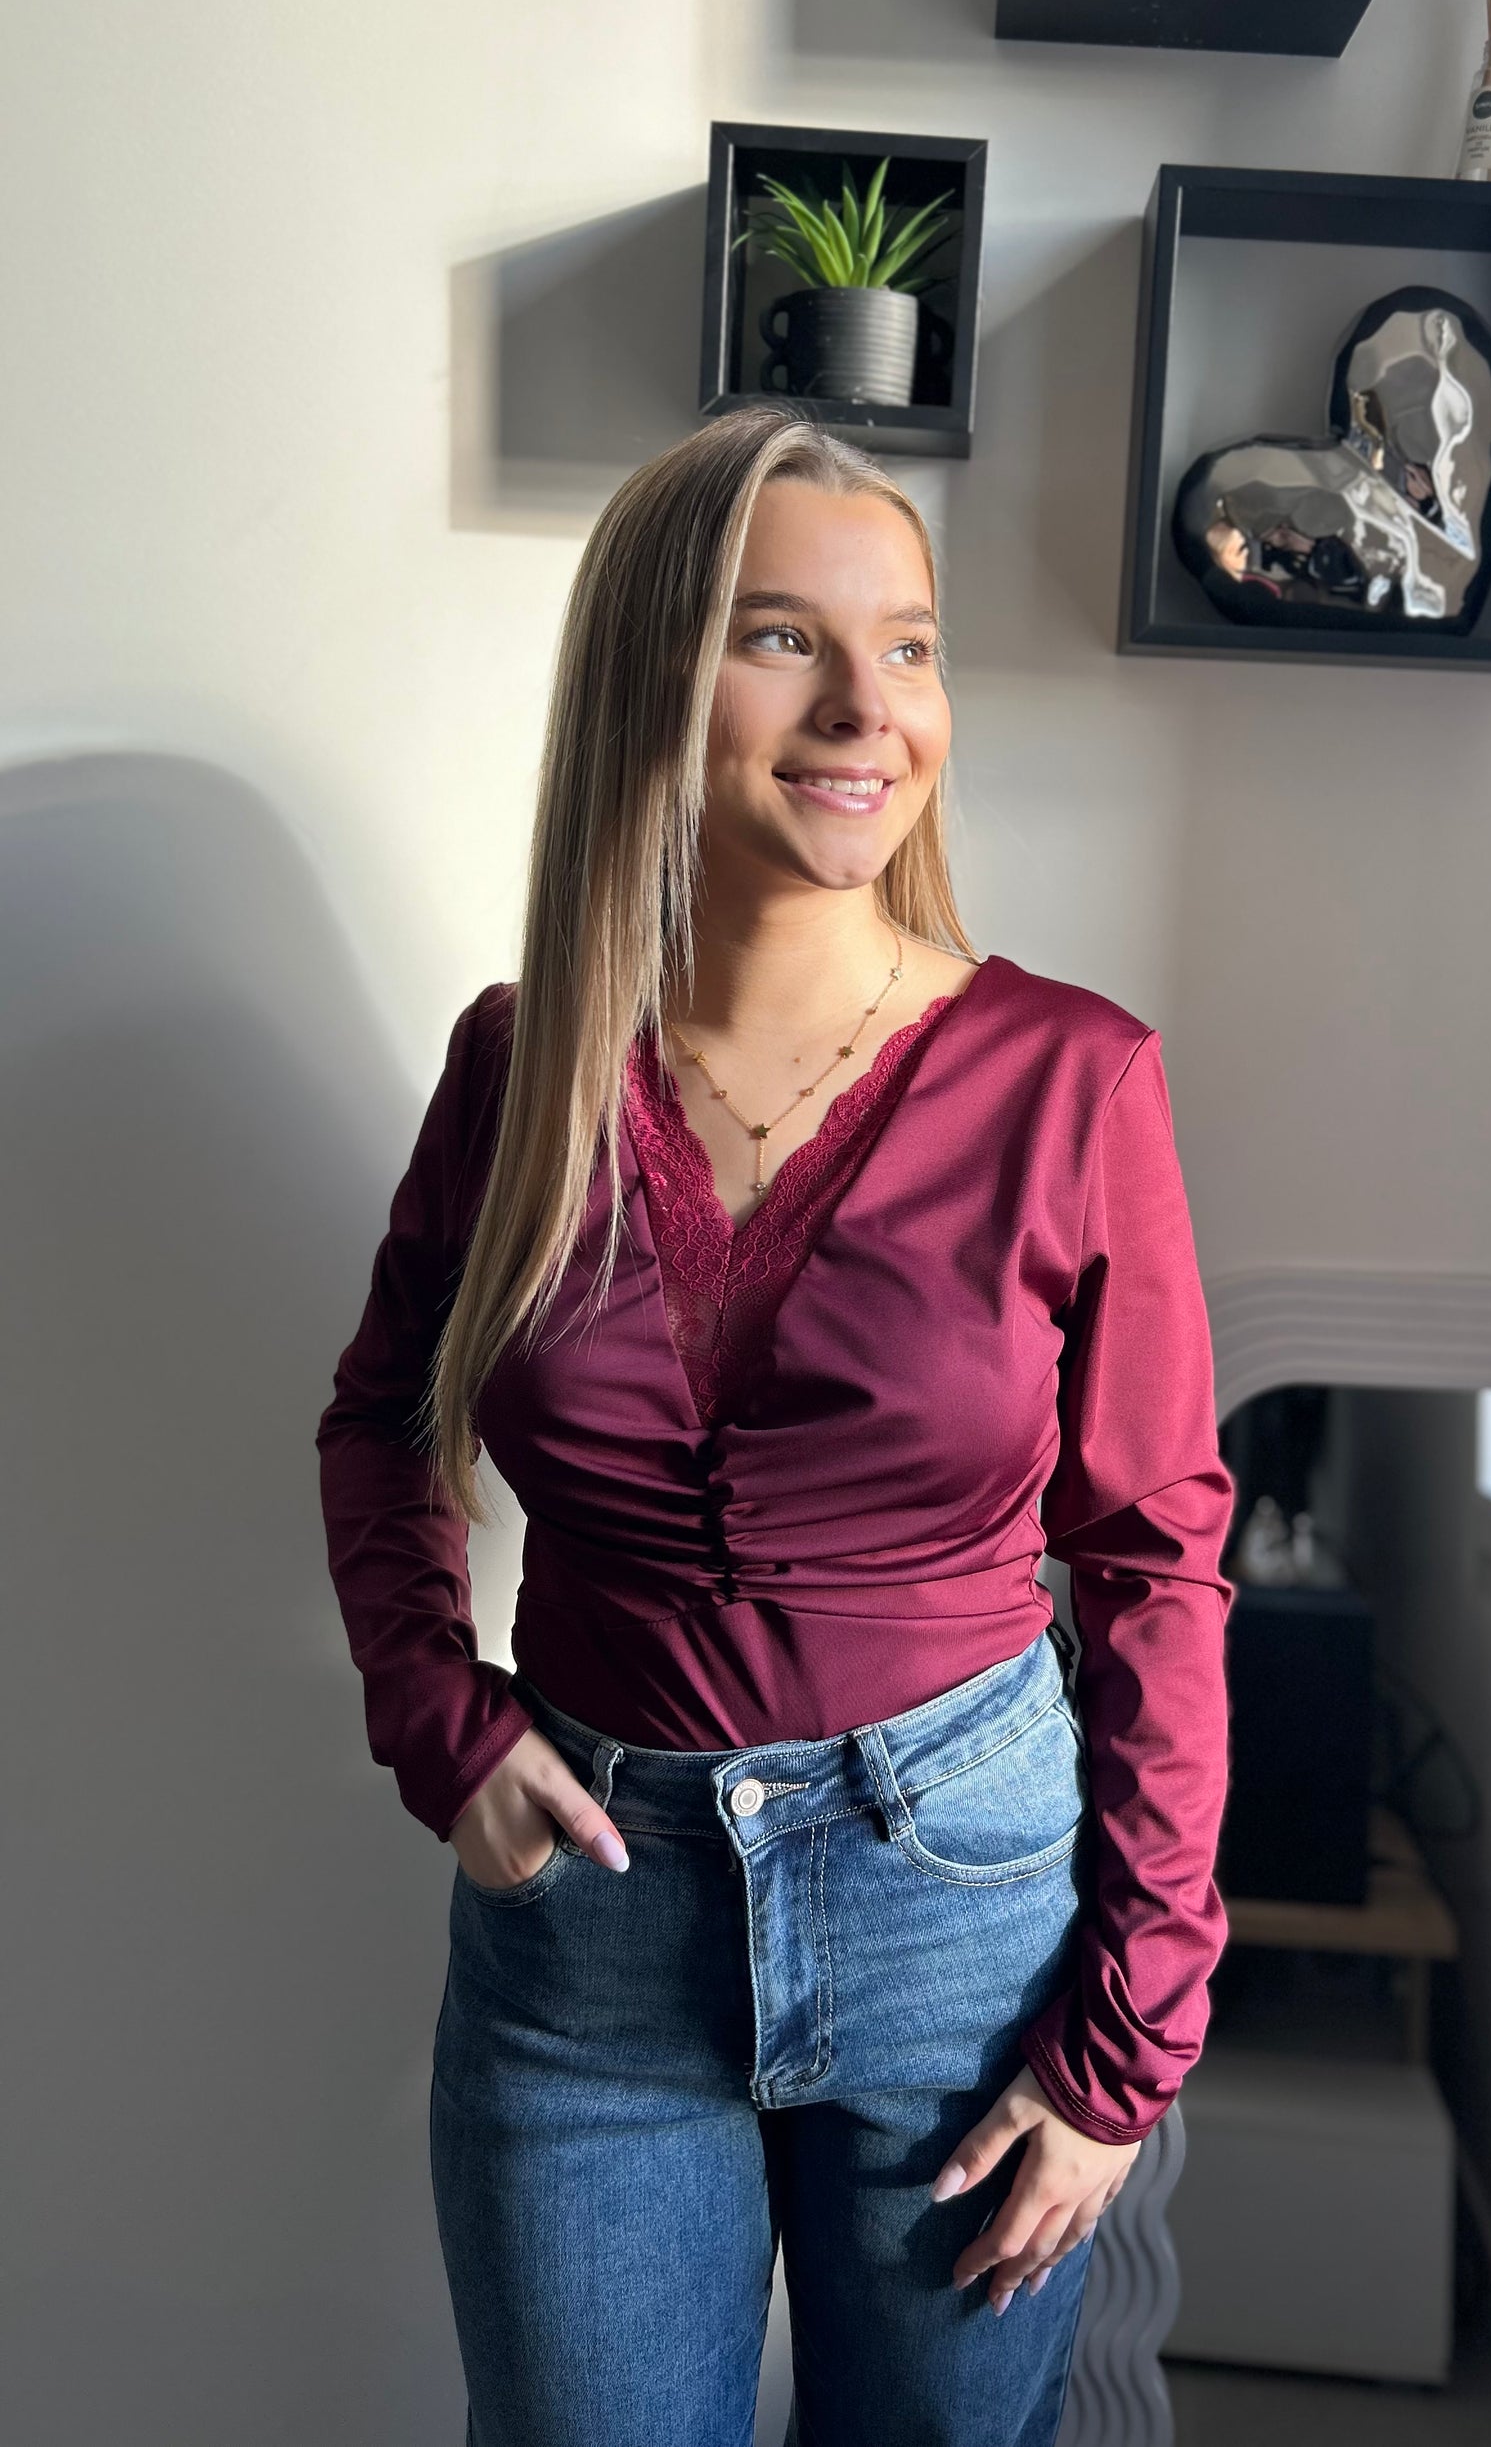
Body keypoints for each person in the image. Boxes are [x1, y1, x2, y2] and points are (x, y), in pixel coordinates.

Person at [316, 406, 1237, 2447]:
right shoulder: (522, 1065)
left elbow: (1154, 1559)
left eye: (908, 646)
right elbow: (383, 1415)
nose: (865, 710)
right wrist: (433, 1714)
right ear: (651, 675)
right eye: (782, 638)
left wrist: (1132, 2036)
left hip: (962, 1919)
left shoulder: (1071, 1077)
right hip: (587, 1927)